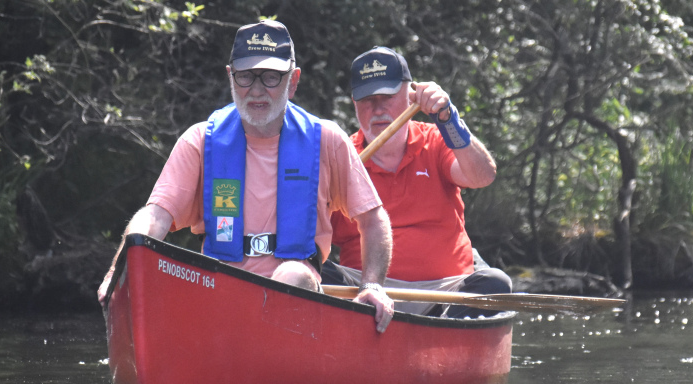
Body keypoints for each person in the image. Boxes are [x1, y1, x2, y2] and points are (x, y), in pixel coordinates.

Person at [97, 21, 395, 332]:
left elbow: (373, 220)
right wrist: (119, 270)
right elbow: (155, 217)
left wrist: (372, 285)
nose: (256, 90)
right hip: (219, 289)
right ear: (230, 77)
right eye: (245, 76)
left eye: (271, 77)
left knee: (293, 275)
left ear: (293, 81)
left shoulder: (327, 140)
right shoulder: (199, 141)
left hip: (295, 291)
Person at [326, 46, 512, 318]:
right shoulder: (340, 157)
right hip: (362, 289)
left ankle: (443, 334)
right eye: (367, 99)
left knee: (495, 283)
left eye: (387, 96)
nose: (378, 109)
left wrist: (449, 120)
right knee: (310, 271)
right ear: (355, 104)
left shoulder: (438, 139)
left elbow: (483, 176)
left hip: (447, 291)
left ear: (409, 95)